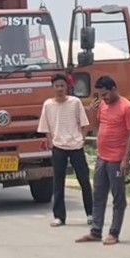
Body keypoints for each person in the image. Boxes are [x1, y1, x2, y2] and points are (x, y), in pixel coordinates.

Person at [77, 76, 130, 246]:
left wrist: (126, 159)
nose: (103, 98)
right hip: (102, 157)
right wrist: (91, 111)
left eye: (105, 95)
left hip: (117, 159)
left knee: (118, 197)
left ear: (113, 89)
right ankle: (96, 231)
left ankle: (114, 232)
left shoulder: (127, 107)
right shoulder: (102, 105)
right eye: (101, 95)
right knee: (98, 194)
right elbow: (95, 126)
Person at [37, 74, 93, 227]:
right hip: (58, 146)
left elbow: (84, 124)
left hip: (76, 146)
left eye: (62, 85)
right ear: (52, 87)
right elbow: (45, 126)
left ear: (67, 87)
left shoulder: (75, 102)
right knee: (58, 182)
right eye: (57, 86)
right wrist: (50, 141)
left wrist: (82, 139)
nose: (60, 89)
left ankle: (91, 213)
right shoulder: (48, 104)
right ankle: (59, 216)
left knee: (84, 180)